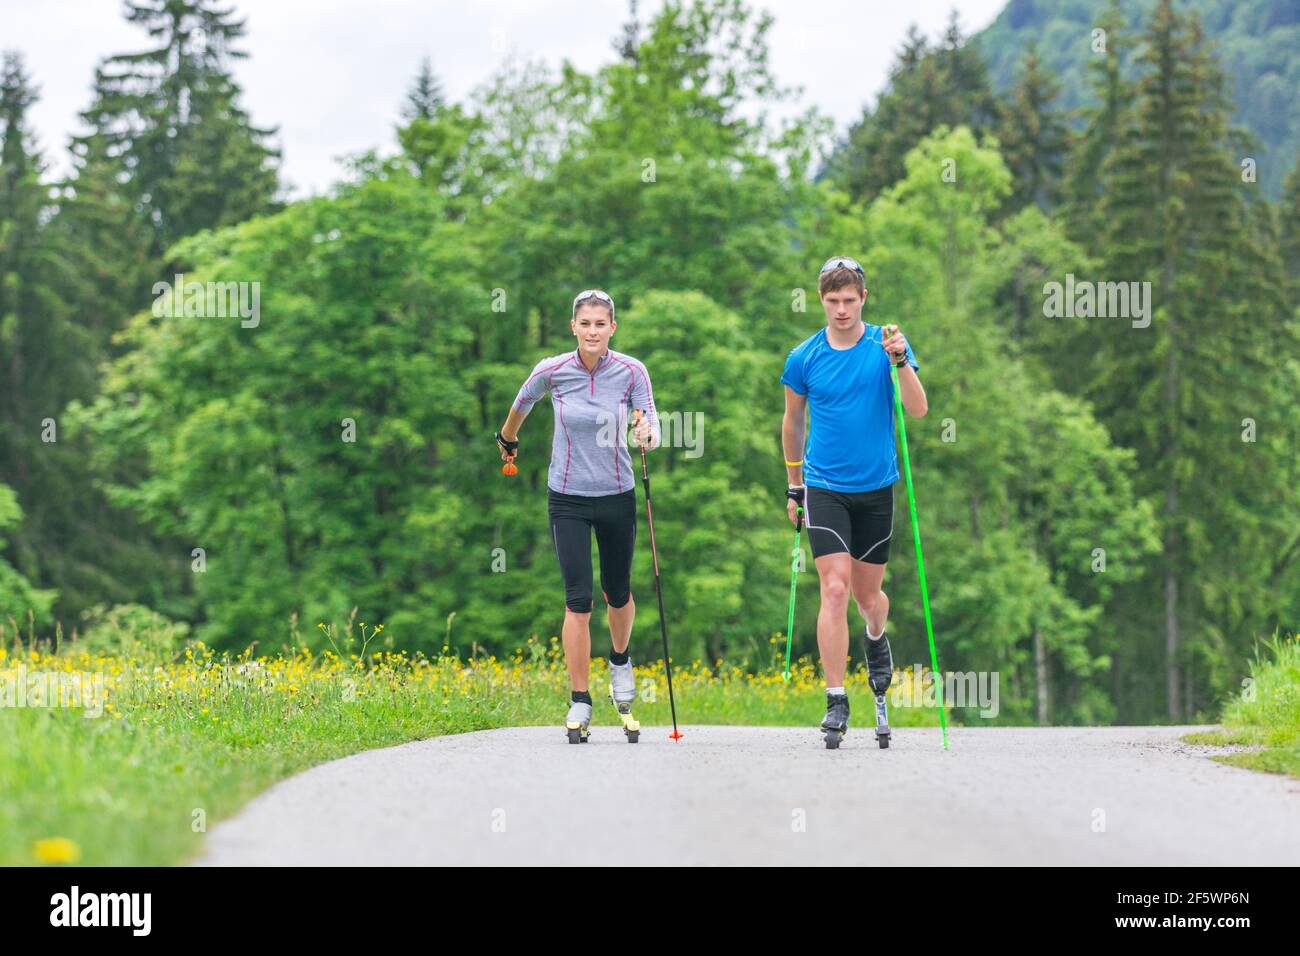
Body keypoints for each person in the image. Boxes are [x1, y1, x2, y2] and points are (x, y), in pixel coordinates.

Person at [496, 289, 661, 743]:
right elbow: (523, 403)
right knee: (578, 600)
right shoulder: (552, 371)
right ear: (573, 327)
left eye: (600, 324)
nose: (592, 332)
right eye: (584, 324)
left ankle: (621, 662)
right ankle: (580, 699)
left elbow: (651, 423)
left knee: (618, 591)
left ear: (613, 328)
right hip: (567, 496)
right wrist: (508, 438)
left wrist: (646, 433)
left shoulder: (631, 372)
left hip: (616, 494)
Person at [780, 256, 928, 746]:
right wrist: (794, 484)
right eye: (832, 300)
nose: (841, 309)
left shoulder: (884, 346)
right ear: (821, 300)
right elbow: (794, 423)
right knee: (835, 589)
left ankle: (875, 635)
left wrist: (902, 360)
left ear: (864, 298)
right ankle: (836, 698)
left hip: (876, 487)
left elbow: (918, 409)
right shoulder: (804, 357)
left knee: (868, 599)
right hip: (824, 486)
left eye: (849, 300)